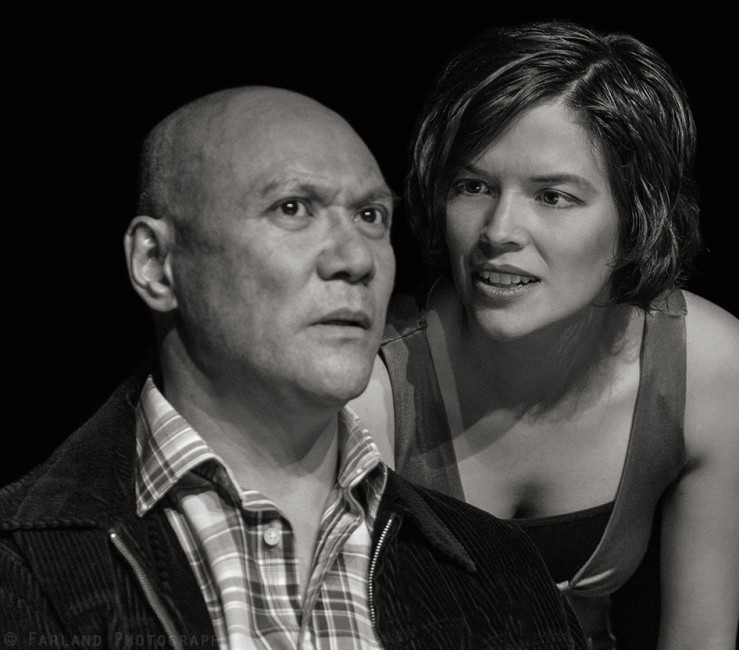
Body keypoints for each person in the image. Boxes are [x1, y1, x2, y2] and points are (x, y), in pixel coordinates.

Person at [0, 87, 587, 648]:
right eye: (293, 209)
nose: (355, 259)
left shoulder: (499, 569)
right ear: (156, 262)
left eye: (371, 216)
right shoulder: (26, 566)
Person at [352, 21, 739, 649]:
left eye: (553, 196)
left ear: (637, 215)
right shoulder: (370, 384)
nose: (499, 230)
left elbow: (702, 639)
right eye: (473, 186)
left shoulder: (708, 367)